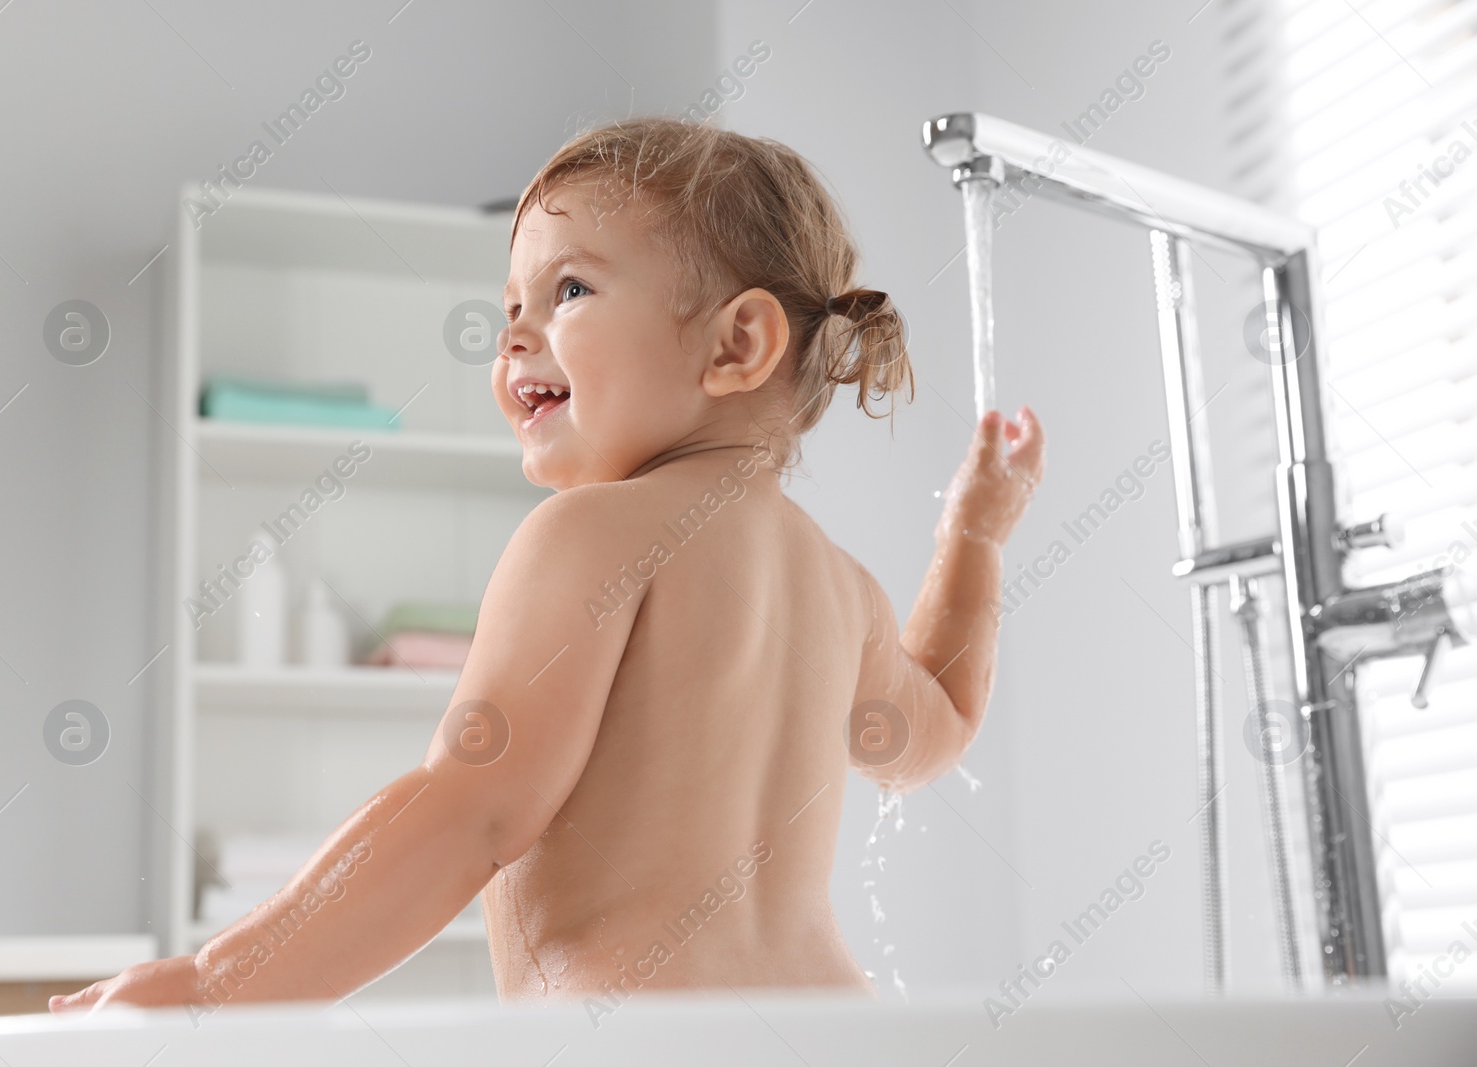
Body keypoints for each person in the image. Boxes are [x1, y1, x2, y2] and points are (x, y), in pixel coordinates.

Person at [51, 116, 1044, 1015]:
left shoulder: (591, 534)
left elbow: (471, 807)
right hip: (834, 1028)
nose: (513, 333)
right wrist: (976, 536)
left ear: (737, 342)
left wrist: (217, 982)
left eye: (569, 288)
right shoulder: (846, 591)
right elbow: (938, 729)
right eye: (509, 302)